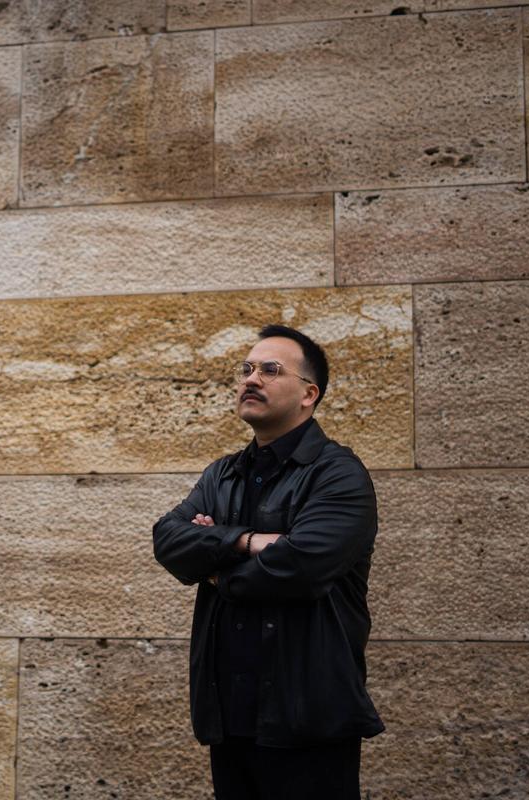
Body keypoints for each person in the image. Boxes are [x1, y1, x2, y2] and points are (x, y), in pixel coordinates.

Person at [152, 324, 384, 800]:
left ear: (308, 394)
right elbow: (168, 540)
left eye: (270, 370)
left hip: (308, 719)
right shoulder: (223, 473)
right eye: (246, 369)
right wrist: (249, 542)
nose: (251, 379)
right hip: (230, 717)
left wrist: (215, 564)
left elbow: (303, 565)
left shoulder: (337, 473)